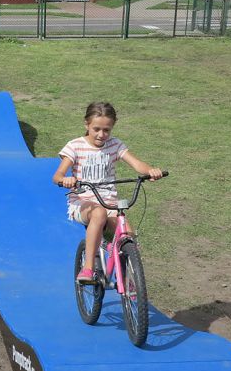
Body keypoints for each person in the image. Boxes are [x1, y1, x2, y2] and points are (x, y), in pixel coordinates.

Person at [52, 101, 163, 283]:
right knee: (99, 213)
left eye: (106, 130)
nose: (101, 135)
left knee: (128, 234)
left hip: (109, 201)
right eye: (96, 129)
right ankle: (88, 268)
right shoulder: (75, 146)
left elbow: (137, 164)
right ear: (86, 124)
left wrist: (150, 170)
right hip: (83, 203)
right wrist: (66, 179)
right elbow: (57, 175)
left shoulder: (115, 145)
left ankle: (131, 281)